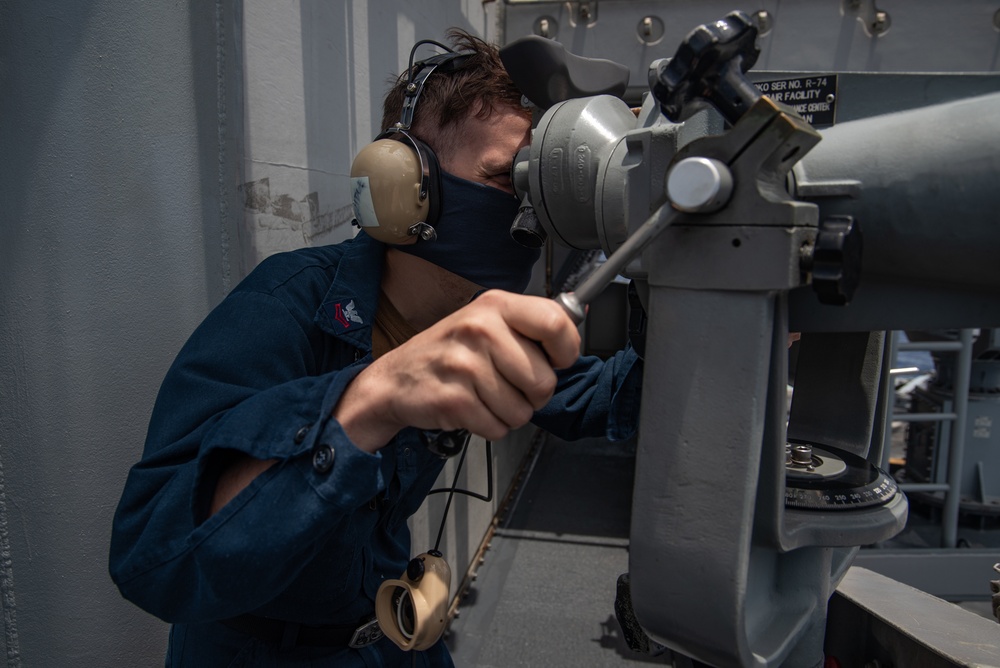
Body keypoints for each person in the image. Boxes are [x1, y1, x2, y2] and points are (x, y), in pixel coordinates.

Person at [109, 29, 641, 667]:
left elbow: (604, 399)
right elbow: (152, 555)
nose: (532, 213)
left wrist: (716, 314)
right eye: (509, 179)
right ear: (402, 185)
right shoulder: (282, 308)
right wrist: (370, 401)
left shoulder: (477, 316)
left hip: (392, 639)